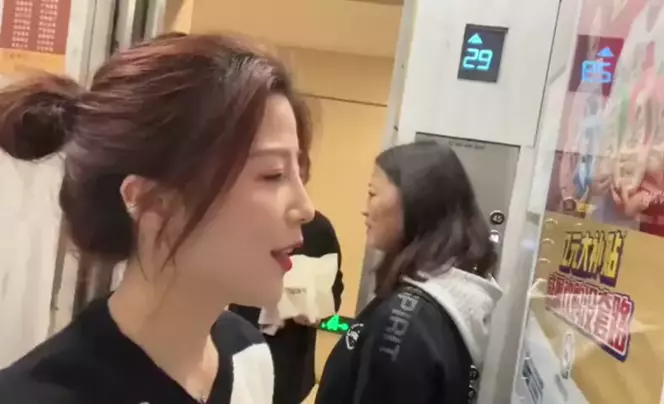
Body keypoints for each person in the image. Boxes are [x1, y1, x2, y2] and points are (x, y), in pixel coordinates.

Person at [0, 33, 314, 404]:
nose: (305, 208)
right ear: (152, 202)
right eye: (273, 174)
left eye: (300, 172)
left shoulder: (247, 354)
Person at [315, 141, 503, 404]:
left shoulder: (403, 323)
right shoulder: (430, 307)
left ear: (417, 202)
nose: (365, 209)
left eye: (372, 193)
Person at [231, 156, 344, 404]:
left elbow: (334, 290)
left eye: (296, 177)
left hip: (290, 356)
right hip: (241, 343)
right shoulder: (246, 222)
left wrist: (316, 310)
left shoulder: (318, 229)